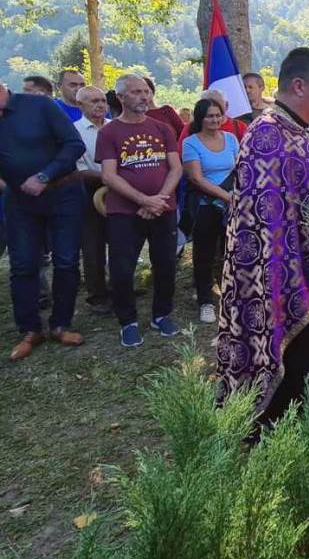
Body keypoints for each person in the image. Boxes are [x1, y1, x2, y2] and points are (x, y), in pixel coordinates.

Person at [218, 46, 309, 425]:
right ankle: (291, 434)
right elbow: (268, 225)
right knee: (303, 363)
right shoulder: (268, 134)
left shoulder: (298, 130)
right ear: (299, 86)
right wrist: (298, 272)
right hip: (292, 278)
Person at [0, 82, 86, 361]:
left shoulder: (39, 105)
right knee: (23, 264)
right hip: (20, 201)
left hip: (63, 194)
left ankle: (61, 324)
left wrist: (44, 176)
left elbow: (75, 145)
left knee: (66, 260)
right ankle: (30, 330)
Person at [97, 74, 183, 348]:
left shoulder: (162, 128)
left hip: (163, 209)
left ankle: (161, 315)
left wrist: (159, 199)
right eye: (135, 92)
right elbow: (109, 176)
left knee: (166, 264)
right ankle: (128, 322)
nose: (144, 97)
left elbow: (176, 168)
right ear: (120, 97)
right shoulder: (109, 132)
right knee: (122, 269)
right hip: (124, 213)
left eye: (145, 91)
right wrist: (143, 200)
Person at [182, 97, 239, 324]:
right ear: (200, 118)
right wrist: (226, 196)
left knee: (230, 252)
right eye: (209, 116)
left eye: (218, 115)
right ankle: (205, 300)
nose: (214, 120)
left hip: (232, 206)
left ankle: (230, 295)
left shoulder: (232, 138)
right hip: (206, 207)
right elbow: (196, 178)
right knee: (204, 255)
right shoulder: (191, 143)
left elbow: (240, 167)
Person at [74, 86, 110, 312]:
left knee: (121, 242)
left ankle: (119, 286)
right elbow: (76, 170)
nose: (99, 105)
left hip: (119, 192)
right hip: (89, 193)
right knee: (93, 245)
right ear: (80, 105)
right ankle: (97, 295)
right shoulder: (73, 131)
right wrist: (110, 178)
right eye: (93, 101)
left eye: (103, 100)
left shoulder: (116, 126)